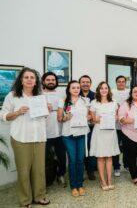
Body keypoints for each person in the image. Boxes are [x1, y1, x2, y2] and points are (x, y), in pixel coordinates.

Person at [0, 68, 50, 207]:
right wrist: (17, 112)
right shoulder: (13, 95)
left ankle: (39, 196)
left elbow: (44, 117)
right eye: (26, 77)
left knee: (39, 170)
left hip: (39, 137)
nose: (29, 79)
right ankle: (25, 200)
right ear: (21, 80)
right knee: (23, 171)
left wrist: (46, 110)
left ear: (36, 82)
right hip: (20, 138)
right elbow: (3, 115)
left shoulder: (41, 96)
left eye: (32, 77)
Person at [58, 80, 91, 197]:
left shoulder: (85, 101)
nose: (76, 89)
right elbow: (59, 118)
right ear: (69, 89)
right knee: (72, 160)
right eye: (73, 88)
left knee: (80, 160)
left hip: (81, 133)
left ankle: (80, 184)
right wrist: (65, 118)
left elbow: (89, 116)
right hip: (68, 135)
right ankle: (73, 186)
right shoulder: (63, 101)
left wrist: (88, 117)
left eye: (78, 87)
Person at [89, 82, 120, 190]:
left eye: (106, 88)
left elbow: (117, 117)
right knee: (101, 157)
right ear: (98, 90)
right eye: (101, 88)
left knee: (109, 157)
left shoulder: (114, 103)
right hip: (99, 132)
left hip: (110, 132)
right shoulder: (94, 103)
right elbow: (93, 120)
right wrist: (101, 119)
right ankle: (103, 181)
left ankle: (109, 180)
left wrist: (114, 118)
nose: (104, 90)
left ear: (108, 90)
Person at [41, 72, 66, 187]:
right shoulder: (38, 95)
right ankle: (46, 180)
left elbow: (64, 112)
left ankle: (61, 175)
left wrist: (64, 115)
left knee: (62, 157)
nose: (51, 81)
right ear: (43, 81)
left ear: (56, 82)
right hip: (44, 134)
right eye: (48, 80)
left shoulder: (60, 95)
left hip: (60, 133)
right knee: (45, 159)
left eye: (53, 80)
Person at [79, 75, 97, 181]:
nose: (85, 84)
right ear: (80, 83)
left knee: (91, 148)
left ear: (90, 83)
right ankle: (81, 172)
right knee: (81, 149)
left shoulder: (95, 95)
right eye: (83, 82)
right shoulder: (75, 94)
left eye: (87, 82)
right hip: (79, 127)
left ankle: (90, 171)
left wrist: (92, 117)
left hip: (92, 127)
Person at [111, 75, 130, 177]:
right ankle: (116, 166)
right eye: (119, 81)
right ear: (116, 82)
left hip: (127, 125)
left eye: (123, 81)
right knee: (116, 146)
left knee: (127, 146)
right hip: (115, 125)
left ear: (125, 83)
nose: (121, 83)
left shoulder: (129, 92)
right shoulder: (112, 92)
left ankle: (127, 164)